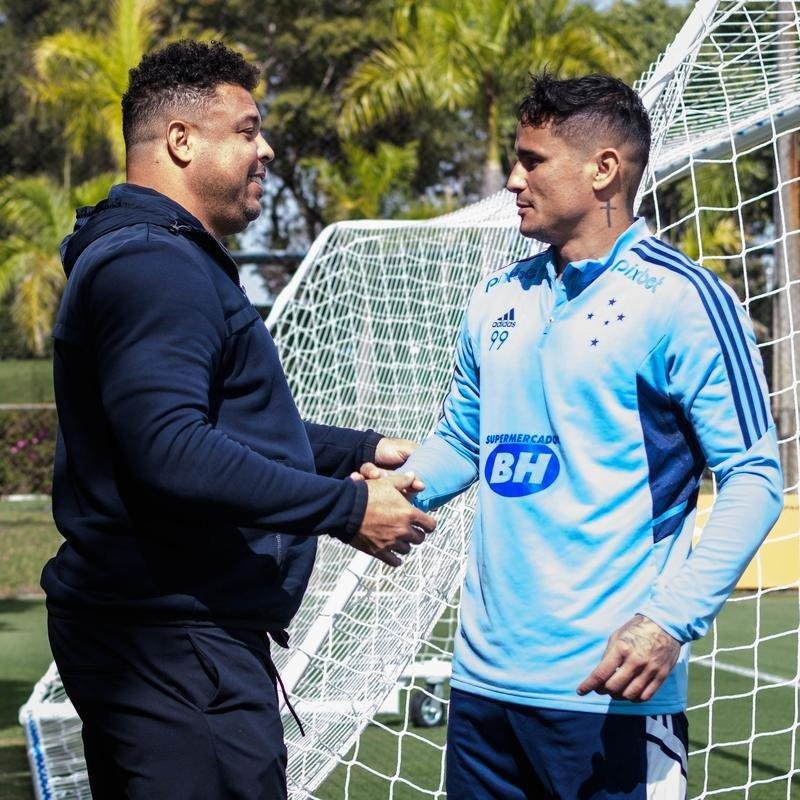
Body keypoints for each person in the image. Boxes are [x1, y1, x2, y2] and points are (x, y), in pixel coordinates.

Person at [362, 73, 783, 798]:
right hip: (484, 684)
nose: (513, 180)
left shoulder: (682, 300)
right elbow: (466, 436)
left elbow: (753, 477)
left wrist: (670, 621)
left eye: (532, 161)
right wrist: (399, 488)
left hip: (609, 687)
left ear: (604, 169)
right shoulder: (496, 298)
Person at [42, 39, 435, 799]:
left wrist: (358, 450)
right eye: (248, 130)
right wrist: (348, 508)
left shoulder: (144, 254)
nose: (267, 148)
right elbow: (171, 450)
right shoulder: (154, 265)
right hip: (175, 649)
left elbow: (205, 428)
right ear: (181, 141)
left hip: (160, 641)